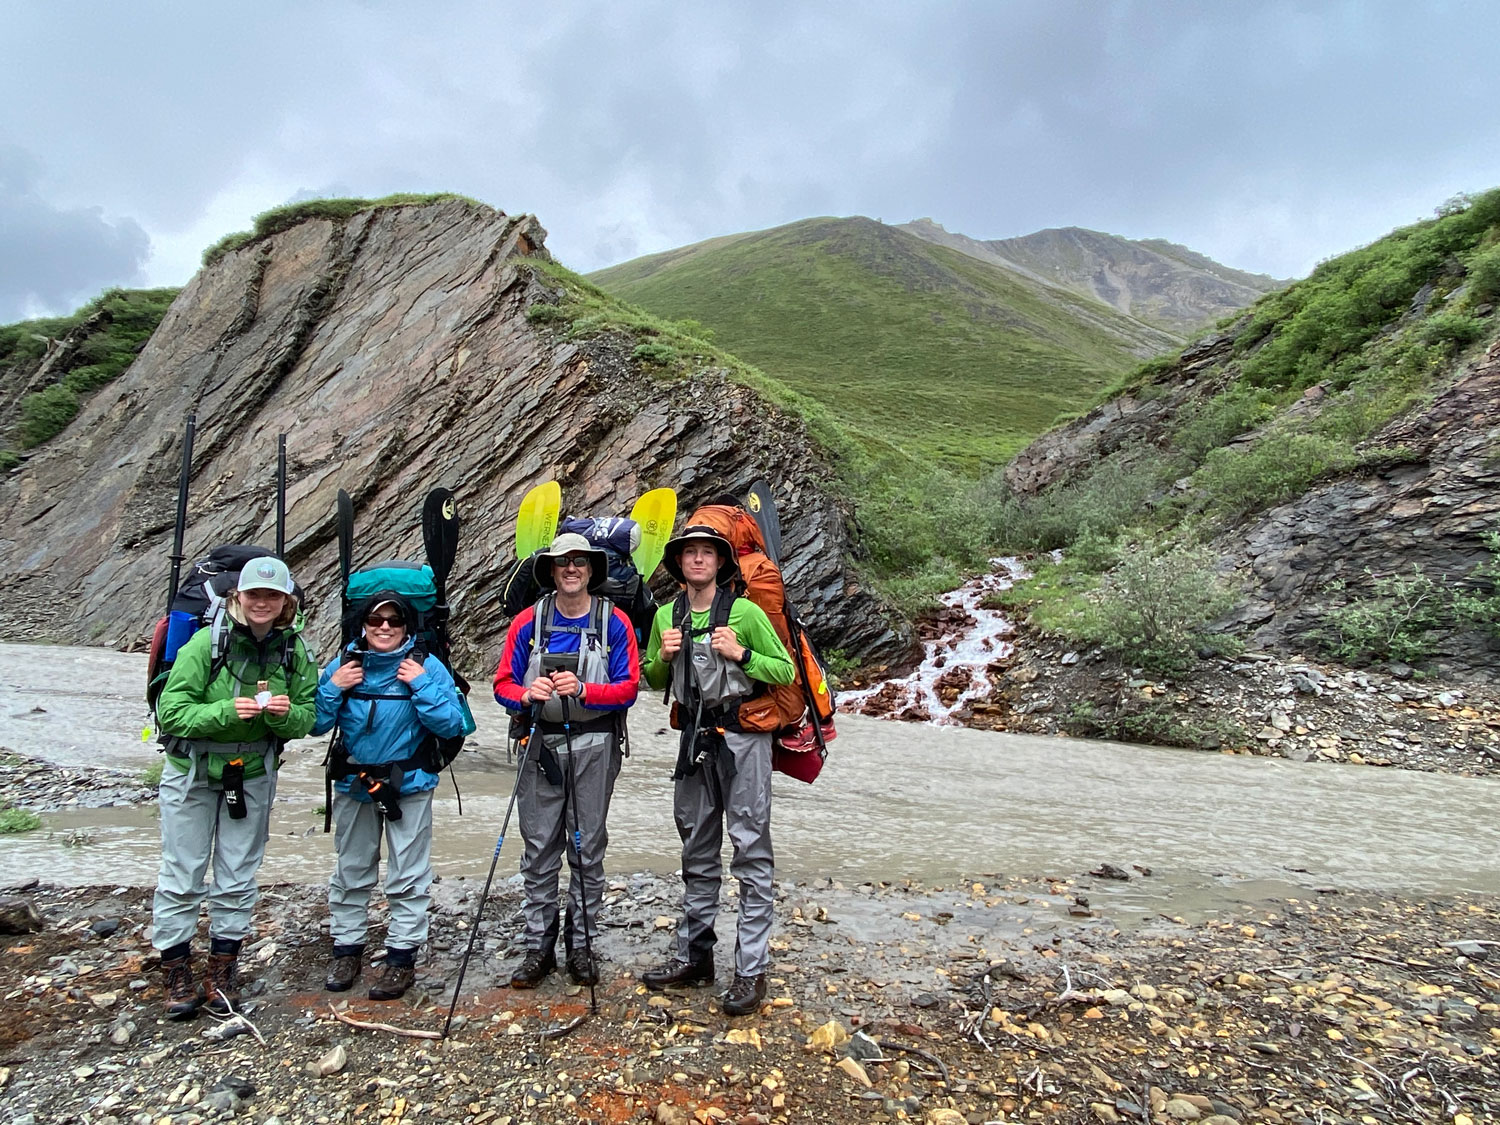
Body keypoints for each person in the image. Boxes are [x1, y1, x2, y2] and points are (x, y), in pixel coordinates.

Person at [151, 556, 317, 1019]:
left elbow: (309, 716)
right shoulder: (206, 643)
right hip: (192, 770)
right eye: (254, 595)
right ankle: (177, 974)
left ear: (286, 601)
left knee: (238, 874)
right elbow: (171, 714)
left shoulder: (294, 650)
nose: (262, 603)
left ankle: (223, 972)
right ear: (237, 597)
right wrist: (227, 712)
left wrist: (286, 715)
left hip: (253, 772)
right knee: (183, 874)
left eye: (272, 595)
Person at [639, 525, 796, 1016]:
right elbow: (652, 677)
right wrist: (662, 657)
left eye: (707, 552)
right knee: (696, 847)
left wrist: (742, 653)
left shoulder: (746, 612)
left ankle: (751, 971)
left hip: (744, 739)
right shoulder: (667, 614)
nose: (699, 560)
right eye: (691, 553)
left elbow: (784, 670)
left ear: (721, 563)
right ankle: (695, 957)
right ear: (679, 563)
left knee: (750, 848)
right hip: (692, 740)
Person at [493, 532, 640, 988]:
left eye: (579, 562)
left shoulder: (615, 622)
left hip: (595, 747)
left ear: (592, 570)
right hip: (538, 747)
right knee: (538, 849)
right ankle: (539, 946)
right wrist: (524, 694)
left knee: (586, 848)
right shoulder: (526, 623)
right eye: (562, 562)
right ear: (551, 571)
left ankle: (581, 944)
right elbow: (501, 684)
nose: (571, 569)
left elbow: (629, 688)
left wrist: (585, 691)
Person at [314, 590, 468, 1001]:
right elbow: (313, 723)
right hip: (354, 785)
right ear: (362, 624)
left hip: (410, 785)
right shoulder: (343, 665)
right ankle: (346, 950)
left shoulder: (426, 666)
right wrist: (332, 687)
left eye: (394, 621)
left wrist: (420, 686)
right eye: (376, 620)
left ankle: (401, 957)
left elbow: (454, 724)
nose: (384, 627)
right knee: (351, 870)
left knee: (408, 874)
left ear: (406, 627)